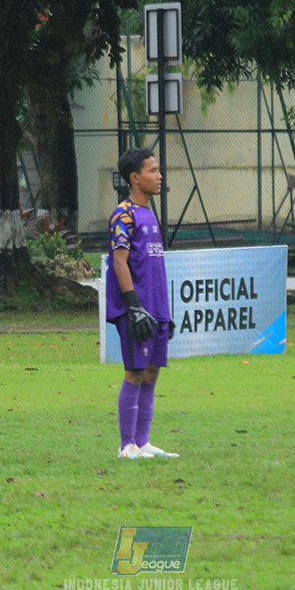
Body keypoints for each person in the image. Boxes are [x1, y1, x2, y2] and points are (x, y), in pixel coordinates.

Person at [106, 148, 179, 459]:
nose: (159, 176)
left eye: (158, 170)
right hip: (136, 308)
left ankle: (143, 441)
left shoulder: (150, 213)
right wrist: (133, 305)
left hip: (156, 307)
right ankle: (126, 446)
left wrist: (164, 311)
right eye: (152, 170)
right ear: (135, 178)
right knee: (135, 371)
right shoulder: (124, 214)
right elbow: (120, 262)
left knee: (152, 372)